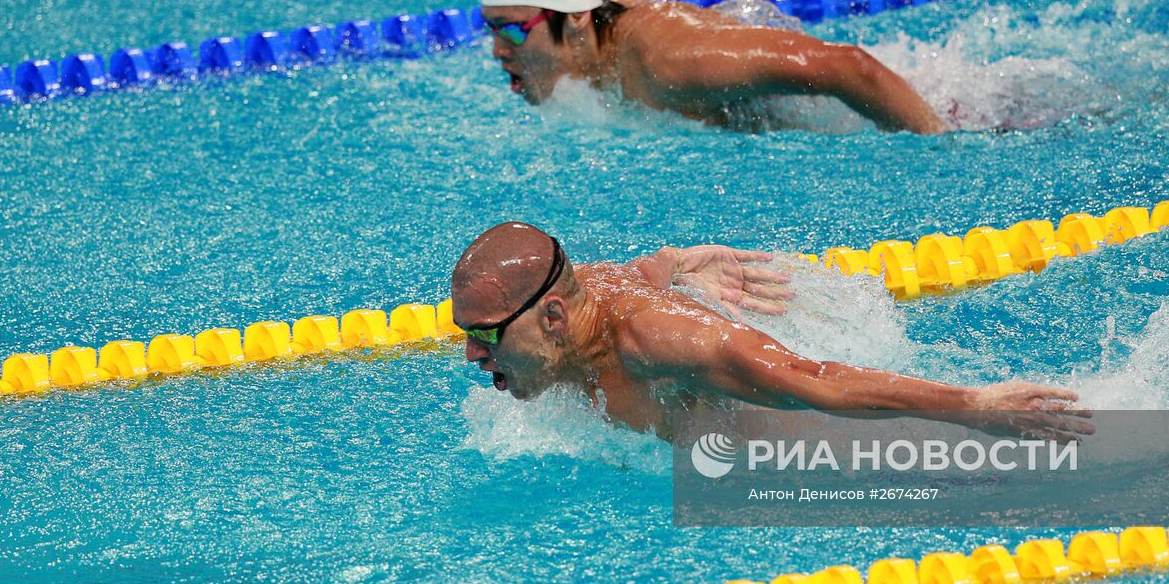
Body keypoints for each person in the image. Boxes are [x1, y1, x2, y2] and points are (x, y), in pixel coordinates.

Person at [452, 221, 1094, 444]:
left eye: (484, 334)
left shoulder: (660, 342)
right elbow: (626, 274)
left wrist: (976, 406)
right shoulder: (569, 310)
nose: (473, 353)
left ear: (553, 318)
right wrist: (677, 262)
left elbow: (814, 381)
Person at [481, 0, 947, 133]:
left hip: (933, 105)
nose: (498, 51)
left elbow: (850, 66)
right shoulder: (596, 53)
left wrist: (938, 147)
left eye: (513, 30)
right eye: (492, 29)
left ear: (577, 15)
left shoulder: (669, 60)